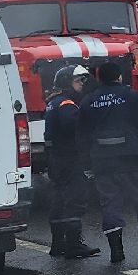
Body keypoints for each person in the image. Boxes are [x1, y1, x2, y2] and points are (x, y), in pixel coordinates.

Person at [78, 57, 138, 262]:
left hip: (102, 161)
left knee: (110, 203)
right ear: (119, 77)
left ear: (99, 78)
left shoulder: (89, 100)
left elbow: (82, 135)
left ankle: (117, 252)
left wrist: (86, 164)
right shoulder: (130, 96)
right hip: (131, 158)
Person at [42, 68, 102, 258]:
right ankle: (74, 245)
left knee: (59, 200)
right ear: (68, 82)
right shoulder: (68, 105)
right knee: (75, 200)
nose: (81, 84)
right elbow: (76, 128)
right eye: (77, 81)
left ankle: (58, 243)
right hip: (70, 159)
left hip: (56, 159)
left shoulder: (53, 102)